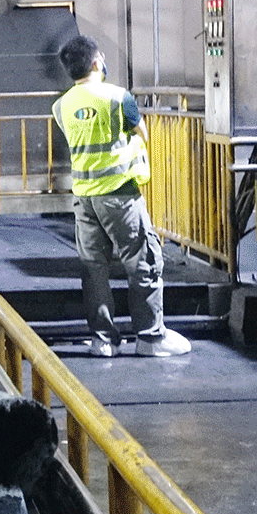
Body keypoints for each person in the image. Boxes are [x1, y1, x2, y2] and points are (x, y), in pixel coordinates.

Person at [52, 36, 191, 358]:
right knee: (144, 261)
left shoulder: (61, 105)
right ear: (97, 61)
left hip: (84, 198)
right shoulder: (118, 97)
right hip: (120, 195)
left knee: (93, 269)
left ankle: (103, 340)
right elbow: (140, 132)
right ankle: (150, 337)